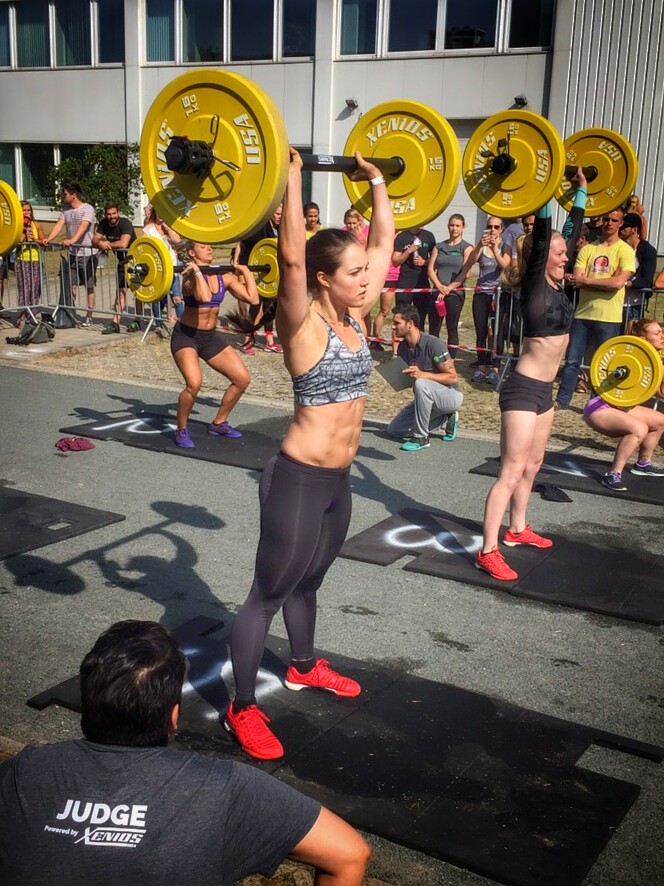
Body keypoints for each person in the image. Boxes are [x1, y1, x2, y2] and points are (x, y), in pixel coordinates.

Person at [225, 149, 394, 760]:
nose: (365, 279)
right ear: (325, 278)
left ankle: (301, 667)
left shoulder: (356, 316)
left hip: (337, 484)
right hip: (297, 479)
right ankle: (242, 708)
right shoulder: (302, 325)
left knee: (309, 581)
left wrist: (377, 181)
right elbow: (293, 255)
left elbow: (384, 241)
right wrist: (293, 178)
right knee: (268, 594)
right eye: (353, 272)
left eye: (364, 271)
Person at [0, 620, 370, 885]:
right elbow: (350, 855)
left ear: (88, 701)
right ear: (174, 716)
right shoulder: (225, 790)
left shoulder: (22, 773)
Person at [474, 171, 588, 582]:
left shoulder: (559, 285)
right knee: (511, 470)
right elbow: (544, 236)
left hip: (545, 392)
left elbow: (569, 234)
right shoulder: (536, 284)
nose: (564, 256)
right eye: (558, 252)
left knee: (534, 464)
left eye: (564, 252)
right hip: (522, 390)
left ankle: (518, 529)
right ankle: (487, 550)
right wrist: (545, 186)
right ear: (542, 256)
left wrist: (581, 192)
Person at [171, 241, 258, 449]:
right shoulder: (189, 279)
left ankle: (219, 423)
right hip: (186, 336)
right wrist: (196, 271)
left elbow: (253, 299)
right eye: (203, 247)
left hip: (209, 338)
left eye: (210, 246)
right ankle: (181, 429)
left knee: (242, 379)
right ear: (192, 253)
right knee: (194, 383)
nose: (209, 249)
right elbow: (204, 297)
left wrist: (246, 272)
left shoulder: (224, 277)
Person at [555, 207, 636, 410]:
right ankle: (562, 401)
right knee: (572, 361)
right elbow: (576, 279)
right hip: (583, 313)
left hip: (609, 317)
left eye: (614, 220)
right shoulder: (588, 249)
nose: (609, 223)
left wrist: (588, 281)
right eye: (607, 219)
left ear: (621, 223)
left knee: (603, 364)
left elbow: (617, 283)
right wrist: (605, 281)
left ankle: (597, 404)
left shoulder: (625, 250)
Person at [583, 319, 664, 490]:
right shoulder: (627, 358)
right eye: (657, 333)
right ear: (642, 339)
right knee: (639, 428)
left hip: (620, 408)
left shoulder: (653, 363)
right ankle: (613, 474)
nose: (662, 336)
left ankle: (643, 464)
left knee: (660, 421)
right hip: (599, 408)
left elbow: (660, 393)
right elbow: (617, 400)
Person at [386, 304, 463, 451]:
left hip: (451, 395)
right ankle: (445, 420)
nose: (392, 327)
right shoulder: (402, 347)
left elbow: (453, 378)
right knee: (394, 430)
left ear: (410, 324)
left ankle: (421, 438)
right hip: (425, 397)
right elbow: (412, 380)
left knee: (421, 383)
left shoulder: (434, 344)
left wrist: (422, 375)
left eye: (396, 323)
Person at [455, 217, 511, 383]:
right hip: (481, 293)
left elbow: (505, 266)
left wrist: (495, 250)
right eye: (489, 226)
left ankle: (495, 367)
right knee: (481, 331)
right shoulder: (482, 246)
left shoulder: (505, 247)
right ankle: (481, 367)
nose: (492, 230)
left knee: (497, 331)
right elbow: (470, 262)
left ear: (501, 229)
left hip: (498, 294)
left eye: (496, 227)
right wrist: (480, 245)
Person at [42, 182, 98, 326]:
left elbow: (84, 226)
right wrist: (49, 238)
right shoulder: (66, 210)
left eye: (66, 194)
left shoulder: (88, 208)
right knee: (71, 285)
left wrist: (72, 240)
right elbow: (59, 225)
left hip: (87, 253)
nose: (64, 196)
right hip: (73, 254)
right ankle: (71, 313)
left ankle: (89, 316)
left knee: (89, 286)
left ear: (74, 195)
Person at [233, 206, 283, 354]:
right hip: (254, 270)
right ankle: (247, 341)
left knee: (269, 306)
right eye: (277, 214)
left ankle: (269, 342)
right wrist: (236, 263)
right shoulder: (258, 228)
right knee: (255, 305)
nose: (279, 217)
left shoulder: (279, 229)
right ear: (270, 214)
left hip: (272, 272)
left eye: (281, 214)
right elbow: (241, 242)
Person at [427, 214, 474, 357]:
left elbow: (466, 272)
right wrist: (439, 285)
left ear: (463, 227)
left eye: (457, 226)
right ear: (448, 226)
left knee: (451, 327)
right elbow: (430, 269)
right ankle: (433, 356)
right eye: (452, 225)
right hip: (437, 292)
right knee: (434, 327)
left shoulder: (466, 247)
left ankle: (451, 359)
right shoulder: (439, 246)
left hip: (455, 294)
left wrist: (449, 288)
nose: (454, 228)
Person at [93, 202, 138, 335]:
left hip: (135, 261)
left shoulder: (126, 224)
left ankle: (138, 320)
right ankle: (115, 323)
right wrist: (100, 243)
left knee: (138, 293)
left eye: (114, 213)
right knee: (120, 292)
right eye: (109, 214)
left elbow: (123, 243)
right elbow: (94, 240)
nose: (112, 216)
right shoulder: (103, 224)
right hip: (122, 262)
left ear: (118, 212)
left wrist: (107, 245)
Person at [142, 205, 182, 336]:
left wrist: (167, 228)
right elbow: (142, 245)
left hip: (172, 267)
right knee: (157, 298)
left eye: (162, 213)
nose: (160, 216)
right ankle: (159, 325)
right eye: (158, 213)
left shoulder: (170, 228)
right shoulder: (149, 229)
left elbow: (177, 241)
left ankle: (183, 324)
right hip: (157, 268)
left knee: (177, 298)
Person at [391, 225, 436, 333]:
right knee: (401, 314)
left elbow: (435, 260)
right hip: (406, 280)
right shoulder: (402, 236)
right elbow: (395, 261)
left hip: (422, 280)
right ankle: (399, 341)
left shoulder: (429, 236)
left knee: (421, 314)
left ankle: (418, 338)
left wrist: (424, 262)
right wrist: (408, 251)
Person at [619, 212, 657, 322]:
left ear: (634, 230)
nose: (620, 229)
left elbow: (647, 280)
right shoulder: (617, 247)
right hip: (614, 302)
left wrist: (628, 283)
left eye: (625, 226)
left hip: (633, 305)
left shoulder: (648, 250)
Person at [14, 201, 45, 326]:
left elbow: (43, 241)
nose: (27, 212)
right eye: (24, 210)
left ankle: (32, 315)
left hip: (35, 259)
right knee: (25, 289)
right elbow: (18, 242)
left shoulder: (36, 224)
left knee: (35, 289)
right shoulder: (17, 226)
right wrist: (24, 231)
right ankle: (21, 317)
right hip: (23, 260)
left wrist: (34, 240)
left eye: (28, 210)